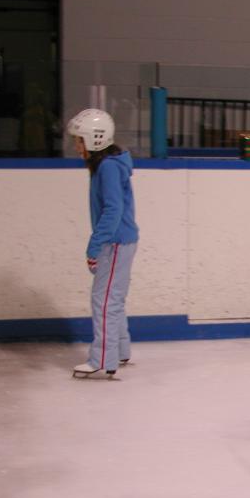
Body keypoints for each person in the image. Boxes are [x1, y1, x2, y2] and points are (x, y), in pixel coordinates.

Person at [67, 108, 139, 379]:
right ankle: (119, 350)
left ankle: (101, 358)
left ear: (94, 139)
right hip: (121, 241)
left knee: (105, 301)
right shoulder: (108, 164)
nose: (76, 146)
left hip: (115, 242)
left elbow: (112, 211)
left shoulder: (107, 167)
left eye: (79, 140)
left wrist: (93, 246)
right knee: (114, 299)